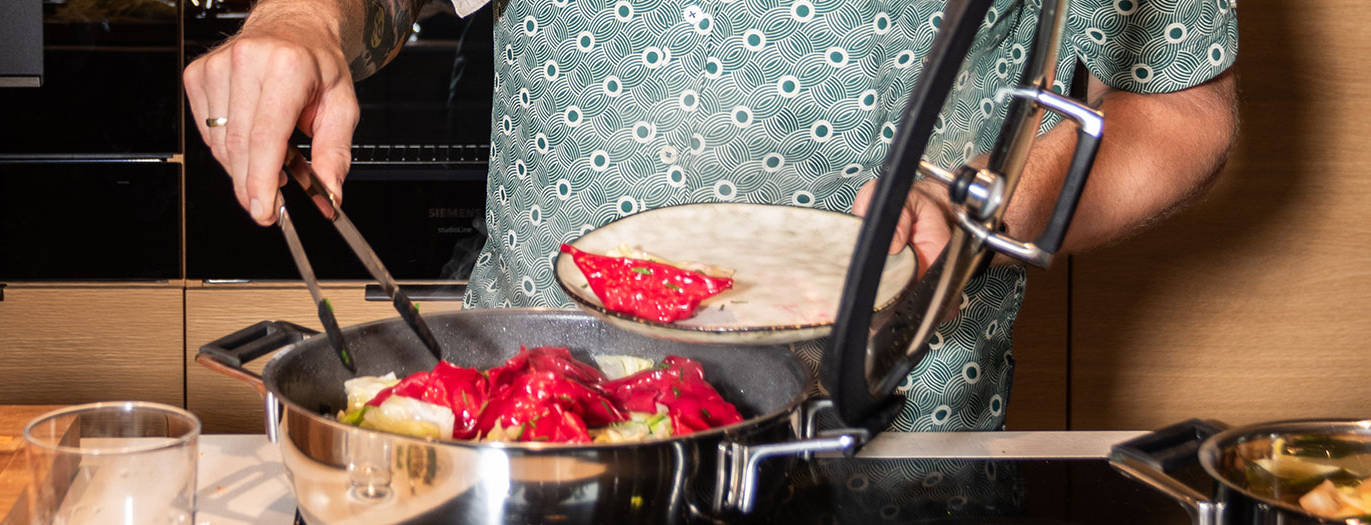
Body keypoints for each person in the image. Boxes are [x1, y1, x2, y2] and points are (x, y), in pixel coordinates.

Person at [184, 0, 1238, 433]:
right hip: (537, 417)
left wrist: (988, 204)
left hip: (893, 431)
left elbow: (1184, 105)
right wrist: (305, 18)